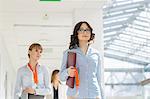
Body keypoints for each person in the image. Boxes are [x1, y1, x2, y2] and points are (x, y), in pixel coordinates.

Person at [60, 21, 104, 99]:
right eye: (81, 30)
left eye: (87, 30)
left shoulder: (96, 54)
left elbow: (99, 79)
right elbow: (61, 77)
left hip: (94, 94)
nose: (85, 32)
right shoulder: (69, 53)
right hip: (74, 95)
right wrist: (68, 72)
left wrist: (102, 96)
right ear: (76, 33)